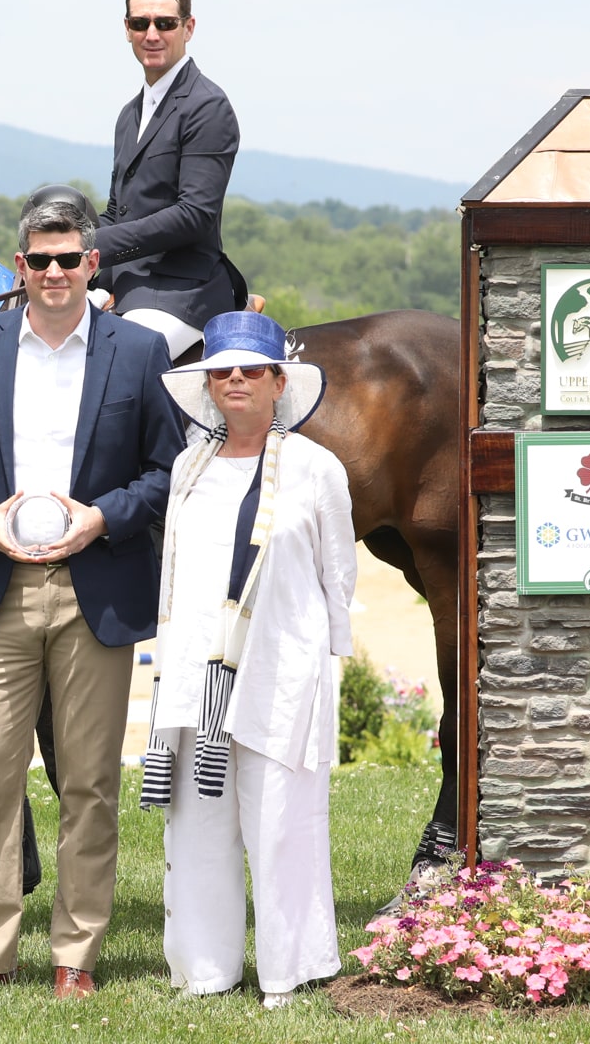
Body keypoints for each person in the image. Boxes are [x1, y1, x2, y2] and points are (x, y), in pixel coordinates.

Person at [0, 186, 183, 998]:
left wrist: (104, 518)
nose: (55, 272)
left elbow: (169, 471)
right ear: (20, 266)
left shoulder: (137, 355)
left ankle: (76, 956)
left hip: (93, 591)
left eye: (69, 258)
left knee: (89, 784)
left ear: (92, 262)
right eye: (39, 260)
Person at [142, 310, 354, 1007]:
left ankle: (290, 968)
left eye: (251, 369)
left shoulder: (318, 469)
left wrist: (325, 671)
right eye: (222, 369)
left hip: (280, 673)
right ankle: (206, 969)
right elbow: (173, 574)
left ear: (278, 382)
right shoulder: (187, 468)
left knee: (281, 822)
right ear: (208, 384)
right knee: (198, 823)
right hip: (195, 674)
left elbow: (337, 578)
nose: (236, 379)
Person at [95, 0, 243, 362]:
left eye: (165, 23)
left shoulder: (207, 106)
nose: (152, 34)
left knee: (117, 365)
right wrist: (63, 248)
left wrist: (96, 246)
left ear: (188, 28)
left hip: (180, 291)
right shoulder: (130, 114)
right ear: (127, 29)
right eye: (141, 24)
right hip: (127, 282)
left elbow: (195, 214)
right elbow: (117, 210)